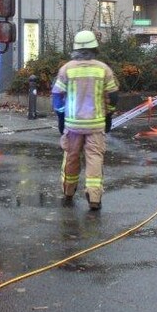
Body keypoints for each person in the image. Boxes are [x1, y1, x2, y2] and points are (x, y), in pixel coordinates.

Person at [52, 30, 120, 211]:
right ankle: (94, 197)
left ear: (75, 48)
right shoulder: (103, 69)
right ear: (94, 48)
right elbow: (113, 95)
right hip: (96, 124)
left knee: (71, 157)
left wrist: (61, 115)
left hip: (73, 125)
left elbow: (57, 95)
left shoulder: (67, 69)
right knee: (94, 158)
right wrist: (109, 114)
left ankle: (68, 191)